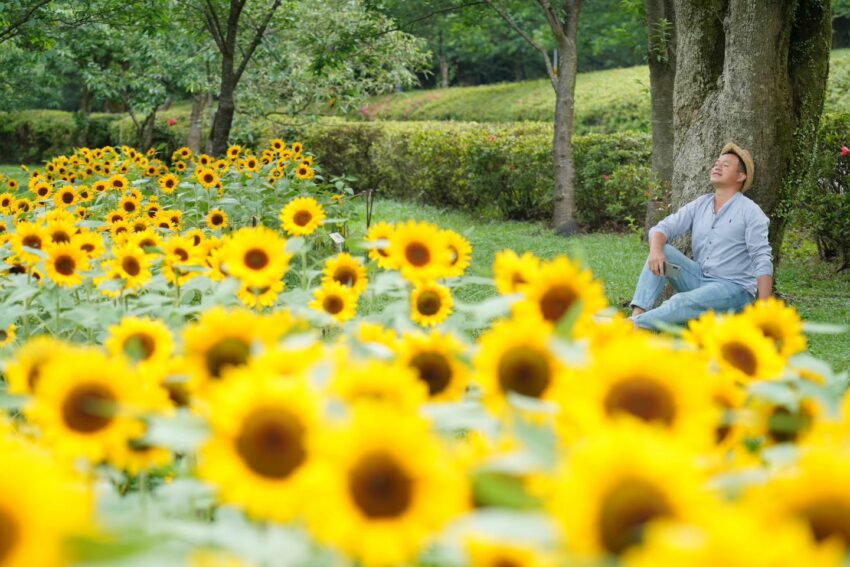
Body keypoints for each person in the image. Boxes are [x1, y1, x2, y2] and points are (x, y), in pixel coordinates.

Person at [629, 142, 773, 330]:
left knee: (680, 301)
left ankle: (630, 326)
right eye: (716, 163)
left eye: (726, 165)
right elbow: (661, 229)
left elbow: (762, 259)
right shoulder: (701, 204)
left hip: (732, 290)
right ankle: (637, 319)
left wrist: (763, 312)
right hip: (697, 279)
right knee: (662, 251)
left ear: (741, 176)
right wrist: (656, 252)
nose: (717, 166)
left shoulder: (751, 212)